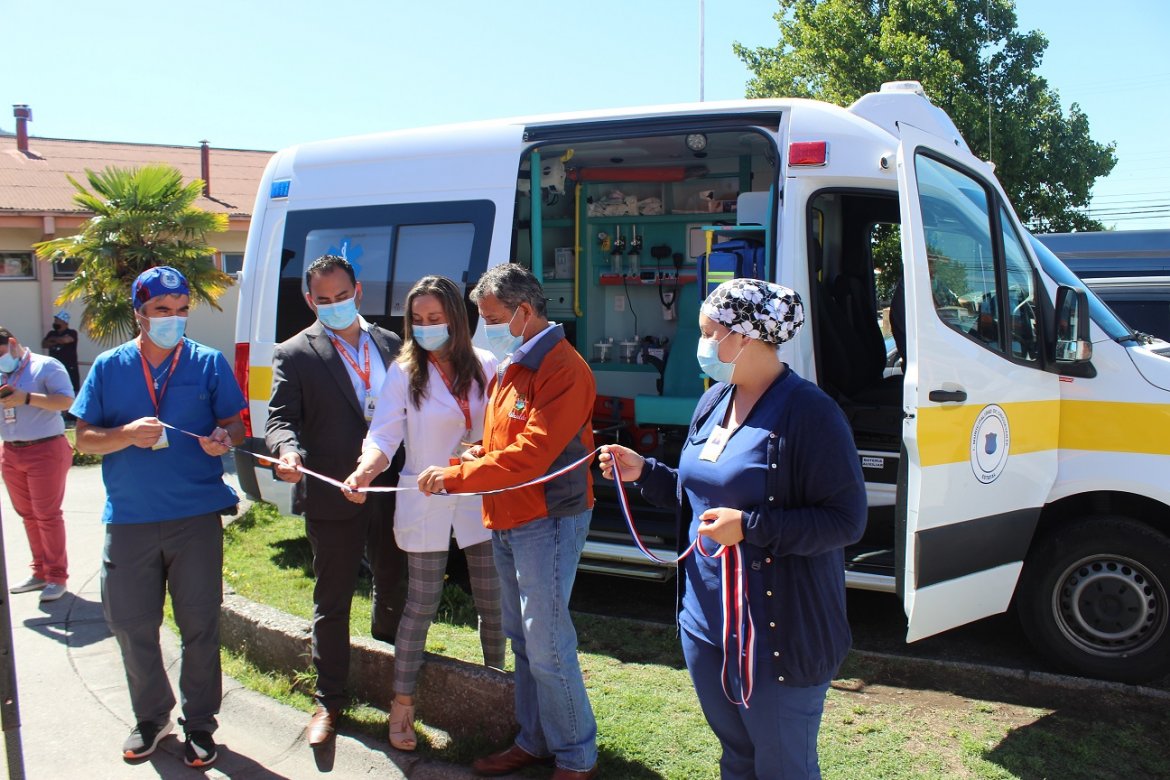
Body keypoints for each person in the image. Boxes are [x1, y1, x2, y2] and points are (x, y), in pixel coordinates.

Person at [599, 278, 867, 780]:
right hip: (707, 625)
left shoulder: (811, 414)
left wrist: (751, 527)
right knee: (738, 758)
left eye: (708, 332)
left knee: (783, 766)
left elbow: (846, 521)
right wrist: (647, 473)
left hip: (775, 637)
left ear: (745, 336)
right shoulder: (715, 400)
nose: (700, 344)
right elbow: (702, 490)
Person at [417, 264, 599, 780]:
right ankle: (534, 740)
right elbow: (507, 445)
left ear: (525, 311)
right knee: (525, 639)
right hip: (509, 513)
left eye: (492, 318)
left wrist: (456, 475)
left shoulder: (563, 368)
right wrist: (474, 456)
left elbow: (531, 456)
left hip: (547, 515)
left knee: (546, 642)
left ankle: (576, 757)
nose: (485, 328)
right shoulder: (515, 363)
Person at [71, 266, 245, 768]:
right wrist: (124, 434)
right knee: (131, 624)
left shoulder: (208, 363)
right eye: (162, 311)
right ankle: (151, 717)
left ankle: (201, 723)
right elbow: (84, 438)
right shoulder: (109, 367)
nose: (173, 319)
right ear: (139, 314)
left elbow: (233, 424)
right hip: (129, 519)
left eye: (181, 310)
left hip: (195, 517)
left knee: (200, 626)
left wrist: (223, 439)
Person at [343, 275, 504, 751]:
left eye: (436, 318)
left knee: (493, 604)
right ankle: (402, 706)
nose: (427, 327)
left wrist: (482, 452)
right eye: (418, 319)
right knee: (421, 604)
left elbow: (502, 430)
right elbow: (384, 437)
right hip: (425, 496)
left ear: (456, 317)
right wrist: (365, 472)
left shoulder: (487, 365)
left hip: (478, 495)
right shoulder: (403, 372)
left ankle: (495, 690)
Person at [265, 254, 408, 748]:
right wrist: (286, 451)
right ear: (310, 301)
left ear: (358, 292)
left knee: (393, 584)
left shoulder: (391, 343)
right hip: (331, 489)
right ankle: (329, 699)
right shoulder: (294, 352)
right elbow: (281, 418)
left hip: (389, 489)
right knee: (332, 599)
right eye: (322, 300)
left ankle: (396, 685)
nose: (333, 306)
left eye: (340, 297)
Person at [0, 326, 75, 602]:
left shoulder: (46, 366)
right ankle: (40, 572)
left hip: (45, 449)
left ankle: (57, 576)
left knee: (47, 515)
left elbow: (67, 400)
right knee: (28, 515)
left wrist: (27, 398)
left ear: (12, 343)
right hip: (10, 451)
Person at [42, 310, 80, 393]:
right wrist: (57, 340)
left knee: (72, 391)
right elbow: (44, 344)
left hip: (69, 368)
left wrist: (52, 340)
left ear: (64, 322)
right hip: (54, 368)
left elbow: (66, 340)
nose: (55, 323)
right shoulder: (51, 333)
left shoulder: (72, 332)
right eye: (55, 321)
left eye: (57, 321)